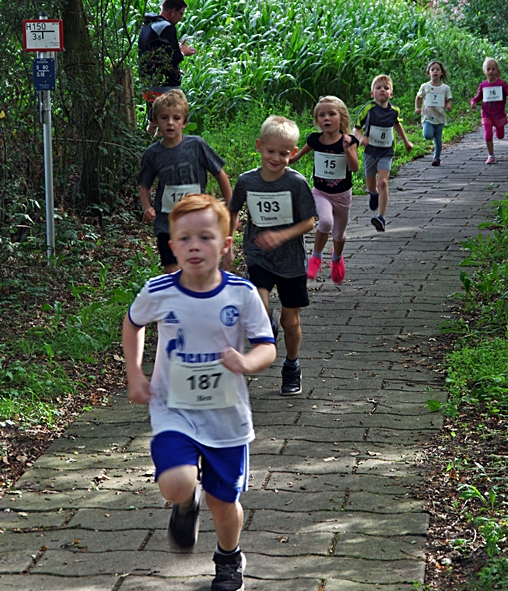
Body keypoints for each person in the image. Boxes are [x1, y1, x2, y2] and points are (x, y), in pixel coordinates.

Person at [122, 194, 276, 591]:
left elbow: (267, 346)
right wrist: (135, 373)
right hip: (173, 407)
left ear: (225, 245)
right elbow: (133, 322)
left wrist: (247, 362)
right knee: (176, 482)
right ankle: (184, 501)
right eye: (185, 238)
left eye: (206, 237)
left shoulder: (241, 294)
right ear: (172, 245)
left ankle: (229, 557)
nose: (194, 246)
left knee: (223, 503)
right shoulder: (159, 290)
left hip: (226, 416)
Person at [228, 116, 316, 396]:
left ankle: (292, 365)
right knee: (260, 305)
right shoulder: (246, 181)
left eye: (283, 153)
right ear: (259, 147)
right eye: (270, 151)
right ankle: (266, 325)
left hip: (290, 260)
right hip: (258, 254)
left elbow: (309, 221)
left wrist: (281, 235)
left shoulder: (296, 183)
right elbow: (232, 210)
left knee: (290, 322)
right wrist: (228, 244)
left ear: (293, 152)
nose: (276, 158)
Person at [137, 89, 232, 274]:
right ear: (155, 121)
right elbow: (145, 185)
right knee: (172, 270)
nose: (170, 123)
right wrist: (146, 207)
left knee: (197, 267)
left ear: (184, 122)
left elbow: (220, 174)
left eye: (176, 118)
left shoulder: (197, 145)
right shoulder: (152, 153)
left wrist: (230, 204)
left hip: (198, 218)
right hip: (167, 222)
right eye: (164, 118)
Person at [289, 96, 359, 284]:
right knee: (325, 221)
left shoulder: (349, 141)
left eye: (331, 114)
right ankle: (316, 257)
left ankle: (337, 259)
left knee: (339, 234)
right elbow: (296, 157)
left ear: (341, 118)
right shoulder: (314, 140)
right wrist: (283, 159)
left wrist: (346, 149)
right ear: (317, 120)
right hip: (321, 192)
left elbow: (354, 168)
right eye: (321, 115)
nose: (326, 118)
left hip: (342, 196)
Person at [354, 74, 413, 233]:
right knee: (371, 185)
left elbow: (397, 125)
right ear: (372, 93)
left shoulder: (394, 111)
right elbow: (356, 128)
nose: (382, 90)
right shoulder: (368, 109)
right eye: (378, 88)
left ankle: (381, 217)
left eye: (386, 88)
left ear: (391, 94)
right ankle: (373, 194)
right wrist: (360, 139)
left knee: (383, 182)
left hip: (387, 151)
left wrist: (406, 142)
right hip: (370, 151)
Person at [138, 0, 196, 133]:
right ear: (172, 12)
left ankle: (145, 145)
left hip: (147, 81)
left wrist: (177, 49)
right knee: (170, 121)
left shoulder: (148, 24)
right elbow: (174, 58)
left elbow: (158, 52)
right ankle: (164, 149)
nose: (181, 18)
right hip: (164, 86)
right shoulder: (166, 28)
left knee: (153, 120)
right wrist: (183, 53)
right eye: (181, 14)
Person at [471, 58, 508, 164]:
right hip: (486, 114)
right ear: (484, 71)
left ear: (497, 70)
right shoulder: (483, 85)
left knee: (500, 136)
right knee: (488, 134)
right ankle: (491, 155)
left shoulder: (501, 84)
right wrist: (473, 102)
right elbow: (478, 97)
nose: (491, 71)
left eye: (493, 69)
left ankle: (498, 129)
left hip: (499, 115)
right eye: (488, 69)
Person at [414, 60, 453, 167]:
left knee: (438, 139)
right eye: (432, 70)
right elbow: (418, 97)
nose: (435, 71)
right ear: (429, 73)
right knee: (427, 135)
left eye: (437, 69)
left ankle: (437, 157)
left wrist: (448, 105)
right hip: (427, 116)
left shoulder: (445, 88)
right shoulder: (425, 86)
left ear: (441, 73)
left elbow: (448, 99)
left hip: (440, 117)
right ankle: (429, 135)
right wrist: (417, 107)